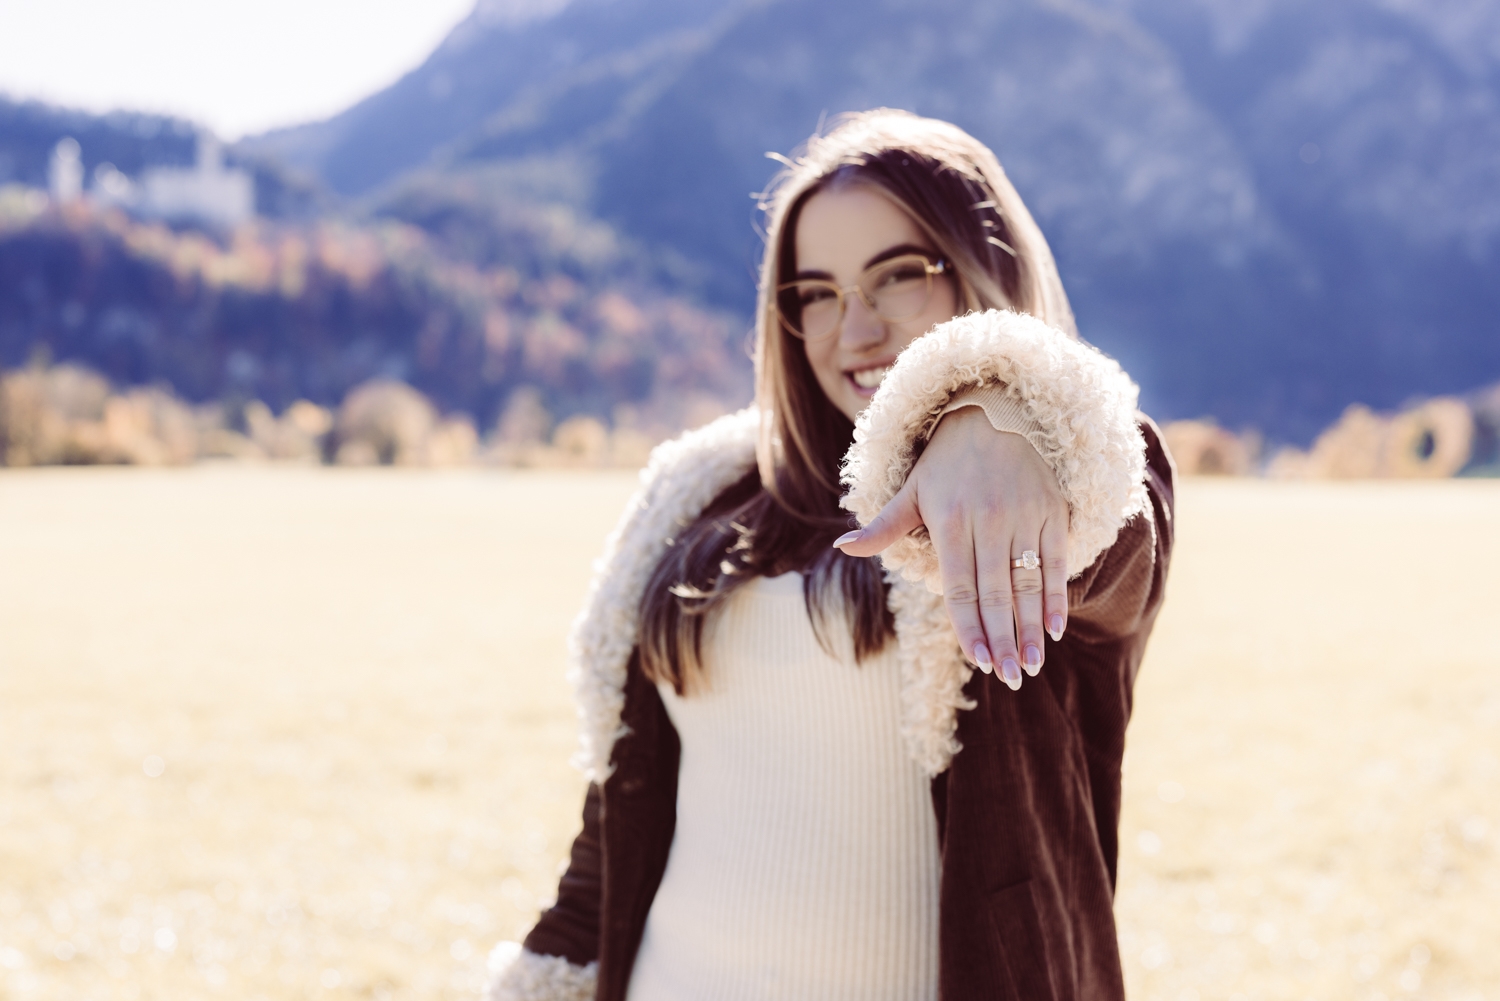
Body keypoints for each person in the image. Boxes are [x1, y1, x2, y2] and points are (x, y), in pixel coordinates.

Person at [486, 109, 1175, 1001]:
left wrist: (1003, 414)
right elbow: (619, 827)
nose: (854, 329)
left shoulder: (1060, 482)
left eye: (897, 275)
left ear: (984, 269)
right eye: (816, 291)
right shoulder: (702, 498)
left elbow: (1119, 541)